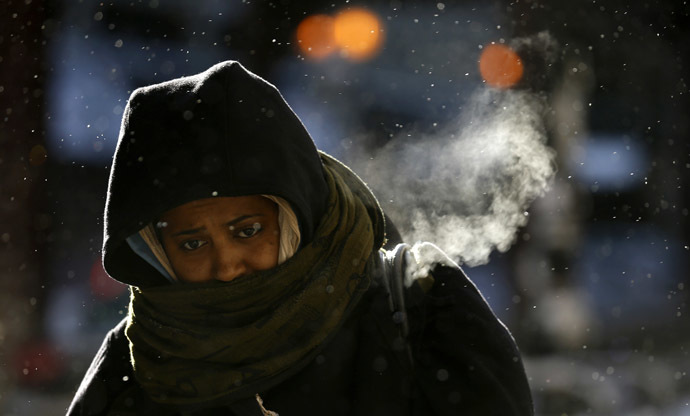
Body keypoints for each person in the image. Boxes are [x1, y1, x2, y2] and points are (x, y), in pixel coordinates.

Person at [66, 60, 533, 415]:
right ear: (155, 251)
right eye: (191, 244)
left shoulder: (422, 315)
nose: (226, 264)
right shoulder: (139, 366)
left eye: (247, 231)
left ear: (294, 218)